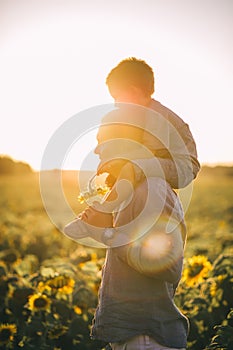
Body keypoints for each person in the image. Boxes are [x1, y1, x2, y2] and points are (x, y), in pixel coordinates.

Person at [64, 57, 200, 349]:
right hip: (133, 331)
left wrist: (107, 234)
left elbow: (165, 264)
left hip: (145, 335)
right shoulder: (137, 183)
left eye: (119, 97)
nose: (98, 151)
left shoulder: (152, 185)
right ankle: (97, 214)